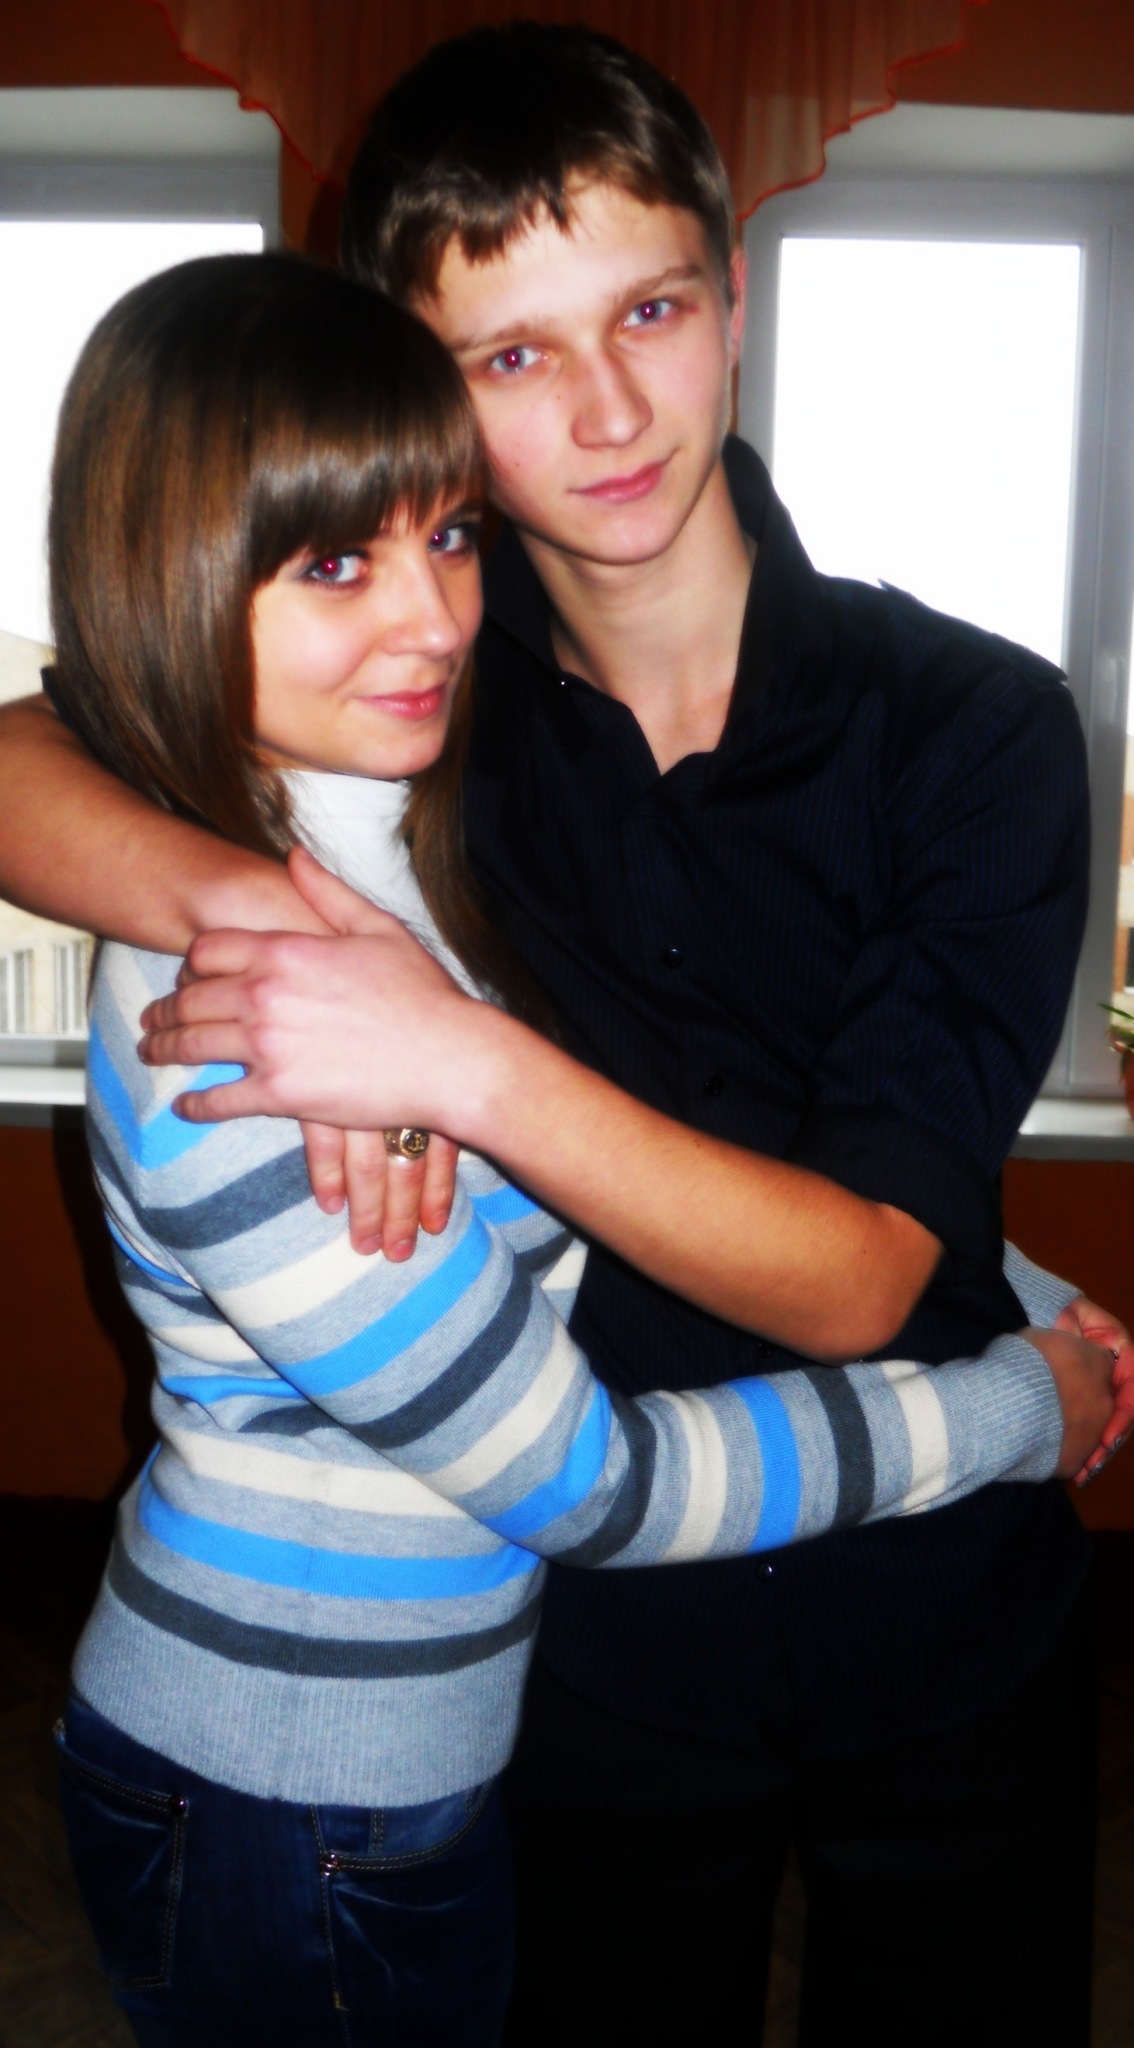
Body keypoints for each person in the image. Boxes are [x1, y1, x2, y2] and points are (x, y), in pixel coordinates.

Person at [0, 26, 1129, 2048]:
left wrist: (444, 1048)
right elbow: (27, 746)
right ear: (422, 393)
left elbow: (865, 1261)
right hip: (590, 1660)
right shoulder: (417, 713)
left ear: (733, 298)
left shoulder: (974, 726)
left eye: (651, 313)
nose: (607, 412)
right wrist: (271, 914)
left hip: (947, 1614)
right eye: (511, 356)